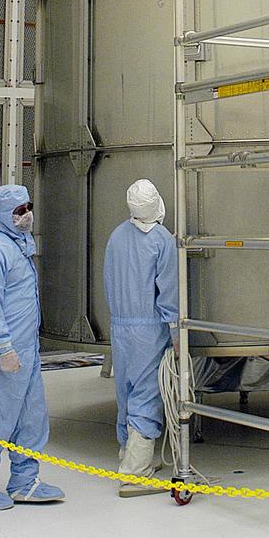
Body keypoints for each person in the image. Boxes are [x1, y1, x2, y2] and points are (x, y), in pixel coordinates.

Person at [0, 184, 64, 510]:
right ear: (4, 214)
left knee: (32, 418)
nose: (26, 216)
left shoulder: (18, 245)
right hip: (0, 352)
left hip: (26, 350)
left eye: (28, 207)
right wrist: (4, 347)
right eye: (19, 211)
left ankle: (25, 481)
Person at [104, 179, 178, 497]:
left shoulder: (116, 236)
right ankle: (136, 472)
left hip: (120, 327)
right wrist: (175, 329)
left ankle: (129, 454)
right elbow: (169, 291)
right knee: (147, 395)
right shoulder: (162, 240)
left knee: (126, 392)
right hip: (149, 328)